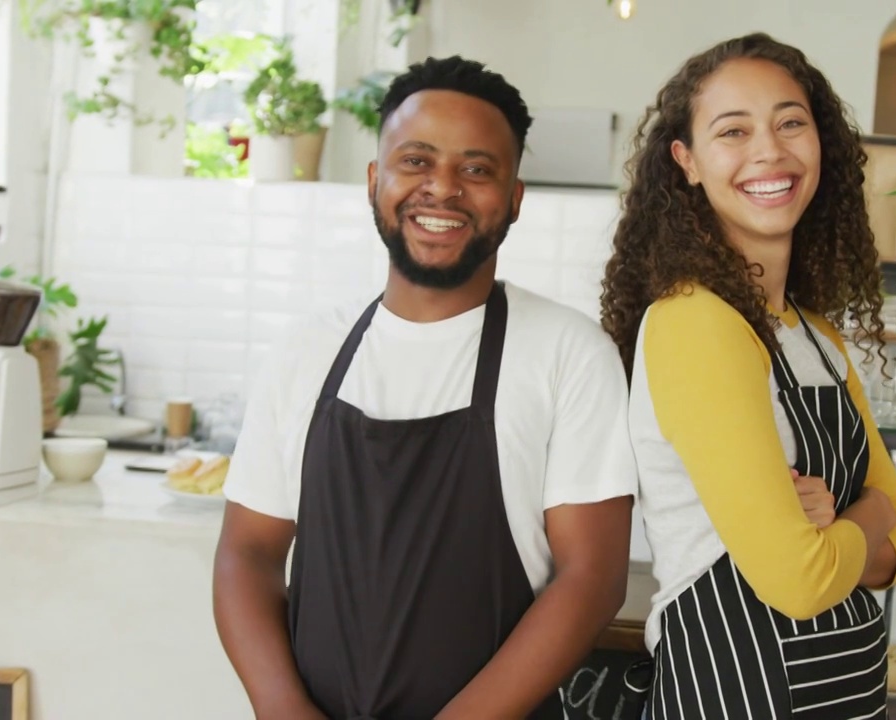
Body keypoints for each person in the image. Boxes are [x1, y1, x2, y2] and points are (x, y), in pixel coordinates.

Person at [213, 55, 638, 720]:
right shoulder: (306, 351)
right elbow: (248, 552)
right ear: (375, 180)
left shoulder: (568, 353)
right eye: (416, 161)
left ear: (515, 198)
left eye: (477, 168)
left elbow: (592, 579)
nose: (442, 188)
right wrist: (280, 707)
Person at [600, 33, 896, 718]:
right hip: (735, 693)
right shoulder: (695, 322)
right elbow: (801, 582)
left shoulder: (817, 335)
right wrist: (868, 513)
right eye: (733, 131)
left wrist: (838, 526)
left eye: (790, 123)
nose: (769, 151)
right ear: (686, 162)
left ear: (820, 144)